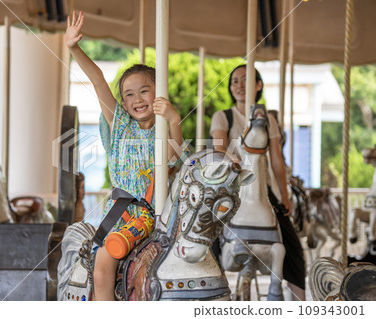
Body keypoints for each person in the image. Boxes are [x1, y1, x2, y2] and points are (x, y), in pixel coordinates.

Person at [66, 11, 184, 300]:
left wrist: (174, 120)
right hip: (122, 215)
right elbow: (97, 80)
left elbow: (173, 156)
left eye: (145, 91)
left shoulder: (161, 132)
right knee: (105, 260)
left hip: (158, 215)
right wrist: (73, 48)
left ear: (159, 92)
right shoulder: (119, 126)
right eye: (129, 94)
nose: (138, 99)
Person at [210, 64, 306, 301]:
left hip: (263, 187)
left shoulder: (268, 119)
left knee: (292, 246)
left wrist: (283, 195)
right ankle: (211, 288)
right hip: (232, 186)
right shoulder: (223, 116)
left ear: (259, 85)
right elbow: (219, 149)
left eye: (247, 80)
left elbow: (276, 160)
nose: (240, 85)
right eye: (235, 81)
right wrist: (229, 157)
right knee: (208, 230)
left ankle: (300, 300)